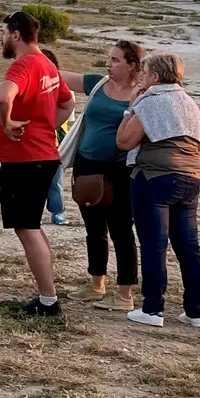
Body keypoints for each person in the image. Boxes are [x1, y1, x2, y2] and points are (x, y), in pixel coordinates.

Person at [0, 11, 74, 319]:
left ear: (15, 35)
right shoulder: (48, 64)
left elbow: (2, 98)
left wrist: (7, 123)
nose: (0, 38)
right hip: (42, 155)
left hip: (26, 158)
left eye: (3, 32)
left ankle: (49, 300)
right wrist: (46, 126)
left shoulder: (24, 64)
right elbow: (68, 103)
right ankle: (47, 292)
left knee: (27, 227)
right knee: (32, 227)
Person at [115, 52, 200, 327]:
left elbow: (124, 141)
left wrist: (130, 108)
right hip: (191, 177)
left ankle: (153, 308)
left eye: (144, 74)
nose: (140, 80)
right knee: (188, 245)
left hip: (155, 176)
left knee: (154, 243)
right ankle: (196, 310)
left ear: (155, 77)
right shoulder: (189, 103)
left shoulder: (151, 101)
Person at [55, 41, 143, 312]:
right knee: (93, 228)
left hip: (119, 170)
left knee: (121, 229)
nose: (109, 64)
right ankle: (96, 285)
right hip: (87, 165)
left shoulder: (142, 94)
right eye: (109, 58)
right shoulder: (97, 83)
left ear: (131, 65)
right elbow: (56, 76)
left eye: (116, 60)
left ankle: (125, 293)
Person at [42, 48, 72, 227]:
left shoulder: (62, 88)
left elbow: (68, 118)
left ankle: (57, 212)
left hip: (56, 141)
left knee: (56, 180)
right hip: (35, 141)